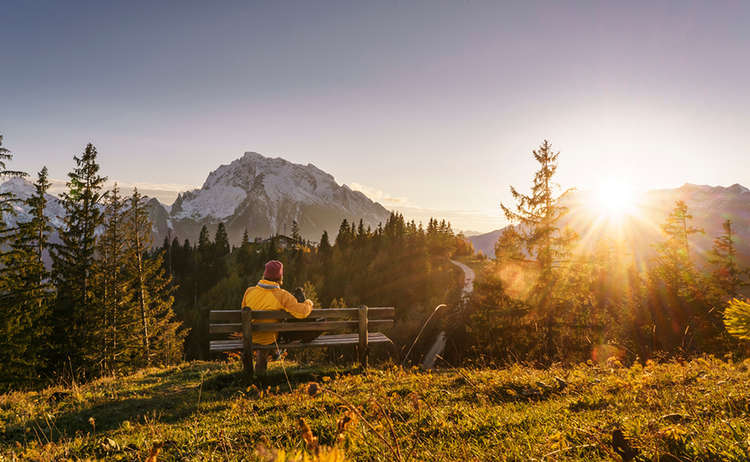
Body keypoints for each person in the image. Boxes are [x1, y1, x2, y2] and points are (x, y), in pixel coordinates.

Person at [240, 260, 314, 373]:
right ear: (280, 276)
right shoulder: (282, 295)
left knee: (265, 332)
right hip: (269, 338)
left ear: (264, 275)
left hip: (249, 336)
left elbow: (243, 312)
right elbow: (302, 312)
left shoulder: (249, 291)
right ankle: (270, 359)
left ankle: (258, 370)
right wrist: (309, 302)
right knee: (274, 332)